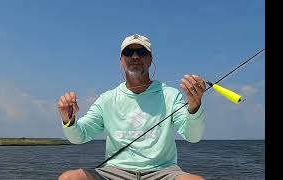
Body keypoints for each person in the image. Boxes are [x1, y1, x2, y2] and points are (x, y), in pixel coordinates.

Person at [57, 34, 206, 180]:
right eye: (128, 52)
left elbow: (193, 136)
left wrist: (194, 108)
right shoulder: (107, 99)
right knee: (69, 178)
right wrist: (68, 120)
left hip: (163, 171)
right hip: (113, 172)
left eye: (141, 52)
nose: (135, 57)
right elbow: (79, 136)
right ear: (121, 60)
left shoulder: (170, 95)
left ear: (150, 60)